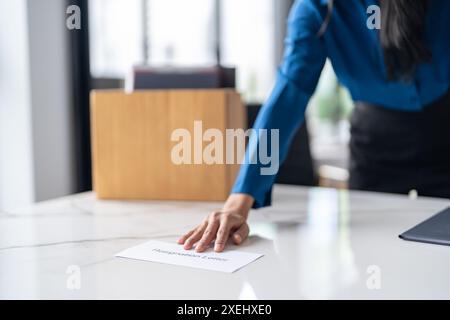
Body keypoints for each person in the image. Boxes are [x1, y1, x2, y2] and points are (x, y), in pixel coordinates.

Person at [178, 0, 450, 252]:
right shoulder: (319, 8)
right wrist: (240, 199)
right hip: (376, 144)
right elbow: (288, 96)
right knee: (375, 257)